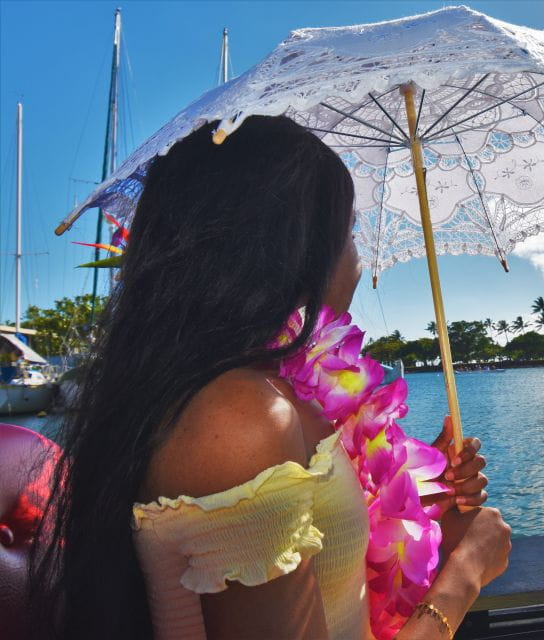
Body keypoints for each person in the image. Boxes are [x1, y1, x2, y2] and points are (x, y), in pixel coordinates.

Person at [29, 116, 511, 639]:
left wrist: (426, 504)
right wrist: (466, 574)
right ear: (294, 249)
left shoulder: (257, 392)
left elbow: (331, 578)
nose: (356, 257)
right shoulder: (239, 416)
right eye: (347, 234)